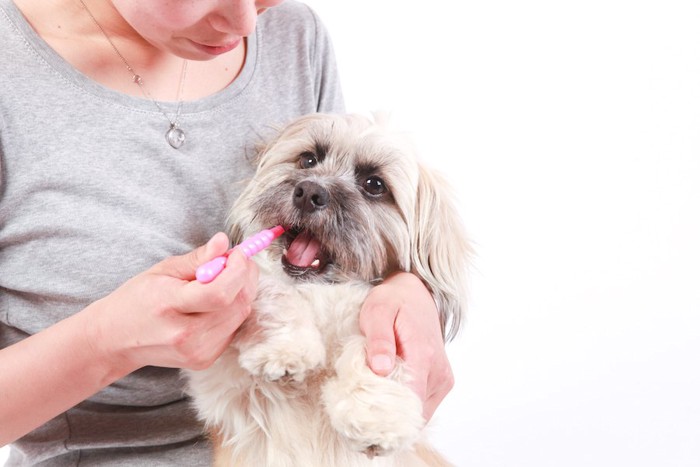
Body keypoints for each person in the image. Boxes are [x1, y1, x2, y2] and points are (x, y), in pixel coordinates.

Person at [0, 0, 455, 465]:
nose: (244, 24)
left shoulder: (294, 36)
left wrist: (412, 291)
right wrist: (109, 340)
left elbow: (349, 256)